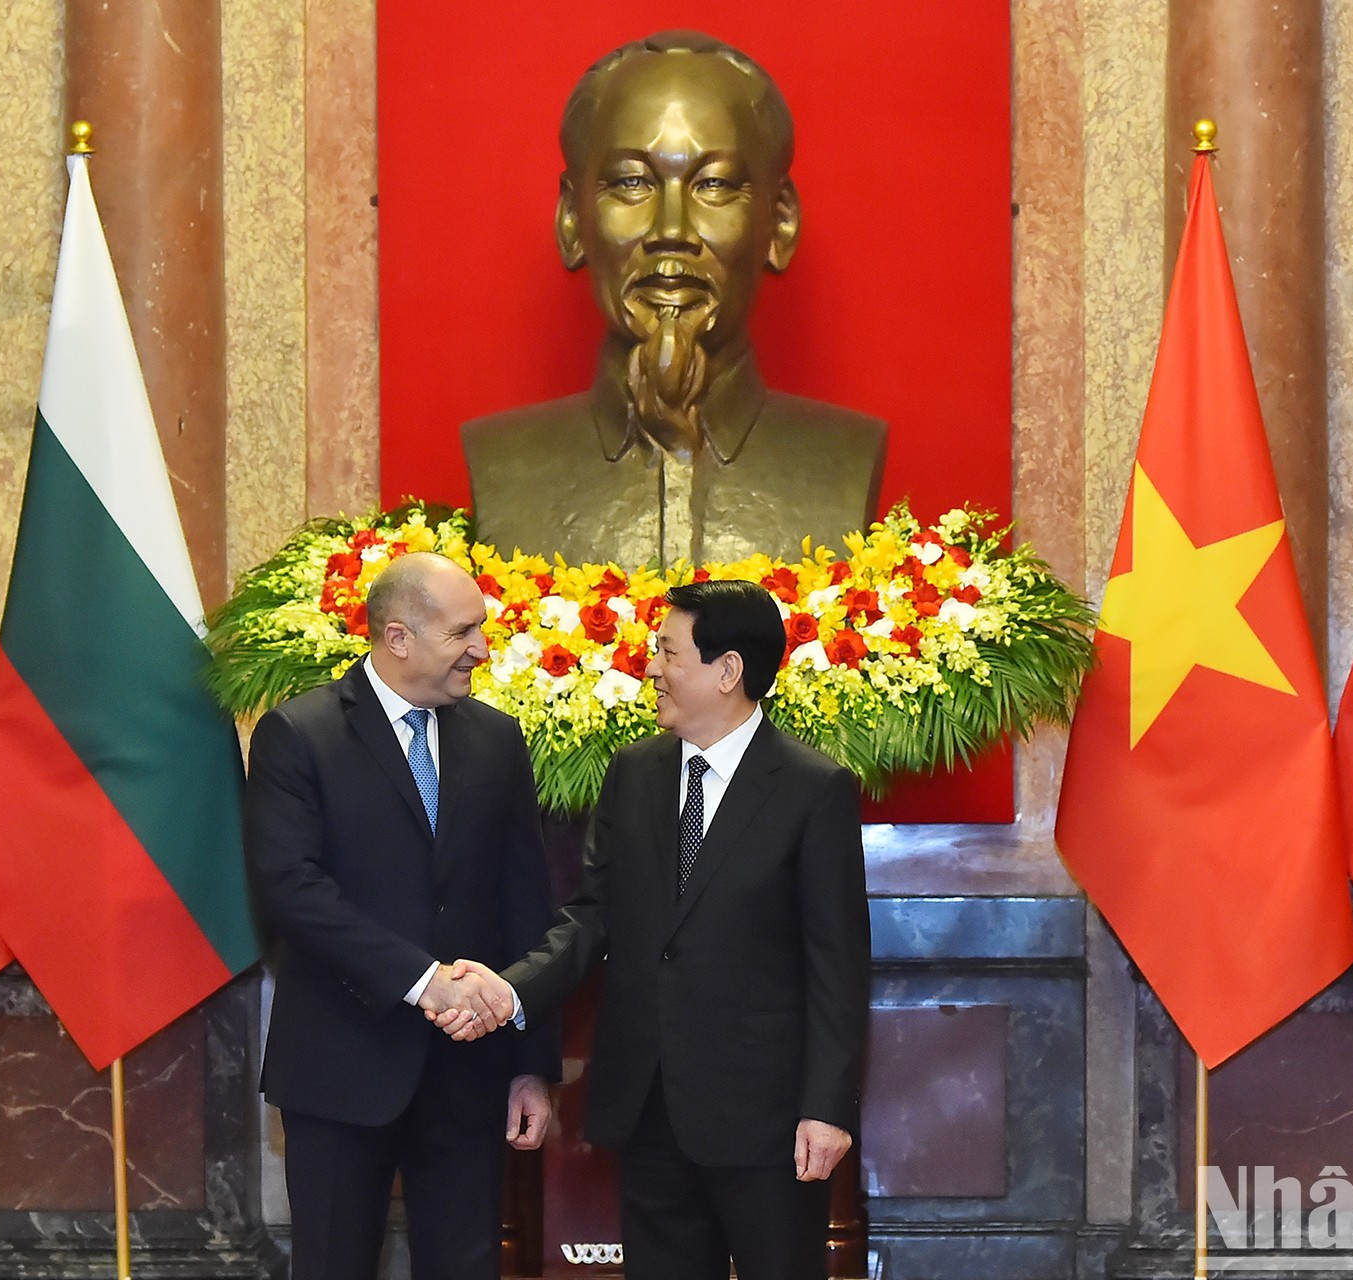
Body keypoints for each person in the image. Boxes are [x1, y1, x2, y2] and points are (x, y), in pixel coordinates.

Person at [437, 580, 870, 1280]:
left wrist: (827, 1109)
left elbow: (838, 966)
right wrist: (512, 991)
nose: (651, 667)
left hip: (767, 1120)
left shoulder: (811, 788)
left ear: (727, 670)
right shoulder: (634, 773)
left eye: (668, 651)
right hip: (647, 1106)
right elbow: (592, 916)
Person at [243, 551, 559, 1280]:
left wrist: (530, 1066)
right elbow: (291, 889)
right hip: (340, 1065)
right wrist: (425, 982)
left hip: (469, 1072)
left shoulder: (495, 739)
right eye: (464, 633)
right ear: (398, 638)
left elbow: (524, 905)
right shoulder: (301, 735)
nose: (482, 649)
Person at [461, 31, 887, 568]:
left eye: (713, 186)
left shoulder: (845, 459)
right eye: (631, 183)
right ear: (572, 221)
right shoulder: (503, 461)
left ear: (779, 223)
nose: (670, 229)